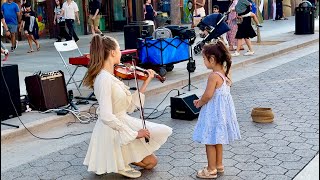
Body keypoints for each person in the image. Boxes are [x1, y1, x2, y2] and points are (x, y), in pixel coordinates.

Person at [83, 35, 172, 178]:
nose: (120, 52)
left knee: (152, 162)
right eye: (119, 49)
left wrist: (146, 82)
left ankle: (119, 160)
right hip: (112, 130)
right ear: (112, 53)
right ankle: (117, 161)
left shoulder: (111, 76)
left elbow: (130, 106)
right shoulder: (103, 79)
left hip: (121, 122)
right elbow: (106, 116)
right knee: (151, 161)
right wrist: (134, 134)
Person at [192, 40, 241, 179]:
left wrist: (199, 103)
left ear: (212, 59)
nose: (203, 62)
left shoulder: (213, 76)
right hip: (222, 114)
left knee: (209, 141)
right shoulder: (224, 74)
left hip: (213, 114)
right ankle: (219, 165)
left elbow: (208, 95)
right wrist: (202, 99)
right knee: (218, 140)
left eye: (204, 59)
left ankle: (211, 169)